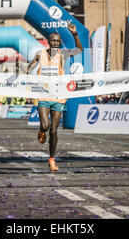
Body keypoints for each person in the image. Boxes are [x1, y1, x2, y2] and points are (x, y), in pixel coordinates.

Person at [17, 23, 82, 172]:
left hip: (59, 96)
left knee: (53, 130)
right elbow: (28, 69)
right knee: (45, 126)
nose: (56, 43)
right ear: (48, 41)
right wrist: (19, 65)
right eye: (53, 41)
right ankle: (41, 130)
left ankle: (51, 159)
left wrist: (75, 34)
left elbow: (79, 50)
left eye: (58, 41)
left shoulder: (63, 54)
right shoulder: (40, 54)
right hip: (43, 95)